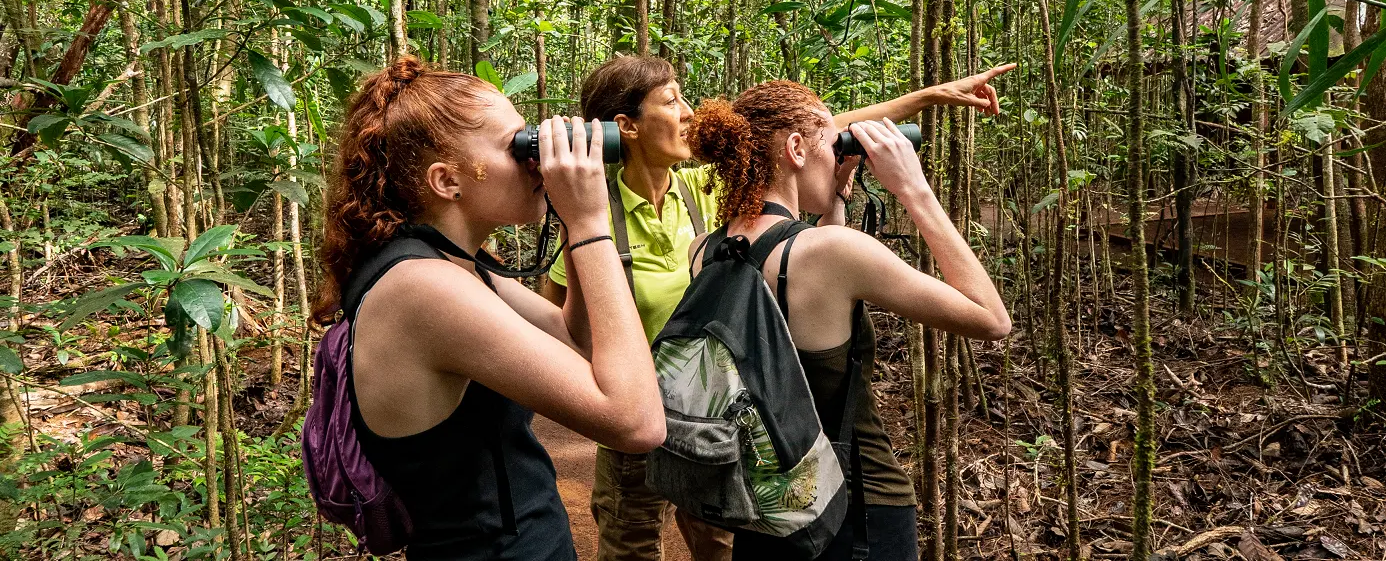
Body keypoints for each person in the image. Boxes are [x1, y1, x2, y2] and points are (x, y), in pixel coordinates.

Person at [539, 55, 1014, 561]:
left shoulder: (705, 231)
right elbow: (991, 319)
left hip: (748, 461)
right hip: (805, 481)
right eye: (671, 100)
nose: (688, 112)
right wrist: (912, 187)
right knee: (629, 544)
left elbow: (804, 145)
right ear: (626, 127)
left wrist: (930, 97)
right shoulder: (597, 218)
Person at [315, 57, 665, 560]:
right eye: (518, 145)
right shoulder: (424, 288)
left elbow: (577, 339)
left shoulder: (456, 265)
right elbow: (638, 424)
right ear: (446, 180)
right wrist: (592, 222)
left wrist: (573, 222)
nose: (535, 160)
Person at [684, 81, 1011, 560]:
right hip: (857, 509)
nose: (838, 152)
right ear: (796, 148)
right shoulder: (833, 254)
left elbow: (797, 298)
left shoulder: (705, 251)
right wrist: (913, 188)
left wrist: (834, 195)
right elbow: (991, 318)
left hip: (765, 506)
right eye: (832, 140)